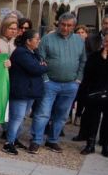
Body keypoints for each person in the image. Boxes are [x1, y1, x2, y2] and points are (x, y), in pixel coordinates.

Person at [31, 12, 85, 153]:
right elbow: (39, 60)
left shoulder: (79, 41)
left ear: (74, 26)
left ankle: (52, 140)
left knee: (61, 115)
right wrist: (45, 80)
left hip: (71, 84)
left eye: (69, 25)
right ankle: (36, 140)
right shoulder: (47, 39)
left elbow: (83, 61)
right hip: (50, 83)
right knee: (43, 113)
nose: (66, 28)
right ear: (58, 24)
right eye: (63, 24)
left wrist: (78, 79)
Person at [80, 31, 108, 157]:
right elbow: (90, 75)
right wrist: (103, 60)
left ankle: (106, 146)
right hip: (96, 93)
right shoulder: (95, 56)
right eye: (106, 41)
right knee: (93, 120)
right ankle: (90, 144)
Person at [4, 29, 47, 156]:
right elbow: (35, 68)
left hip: (29, 90)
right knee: (16, 117)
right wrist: (44, 67)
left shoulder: (33, 52)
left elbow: (38, 66)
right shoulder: (21, 53)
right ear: (28, 41)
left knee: (22, 117)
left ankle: (14, 139)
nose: (39, 41)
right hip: (21, 90)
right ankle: (8, 143)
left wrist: (41, 66)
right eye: (36, 39)